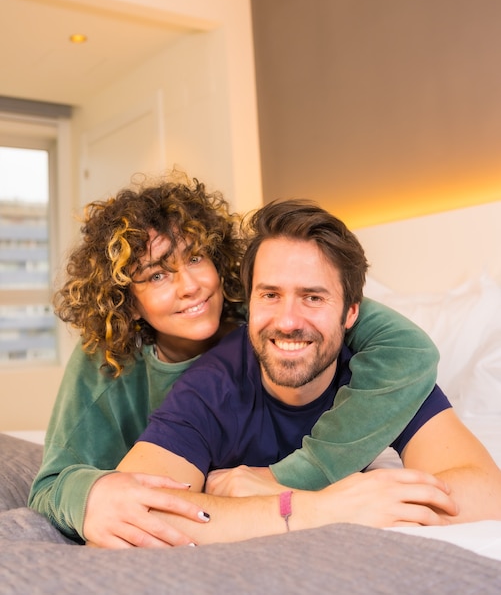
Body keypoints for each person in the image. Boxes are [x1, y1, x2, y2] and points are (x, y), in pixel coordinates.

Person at [29, 176, 441, 547]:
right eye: (157, 275)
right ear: (128, 303)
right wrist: (94, 494)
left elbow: (408, 348)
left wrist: (291, 481)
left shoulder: (272, 309)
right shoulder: (107, 362)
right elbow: (51, 482)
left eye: (194, 259)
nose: (190, 286)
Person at [115, 199, 501, 547]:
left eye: (313, 297)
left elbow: (486, 493)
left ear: (351, 312)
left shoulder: (380, 379)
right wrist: (322, 509)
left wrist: (300, 496)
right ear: (250, 303)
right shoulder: (212, 385)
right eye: (270, 295)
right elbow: (140, 509)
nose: (287, 321)